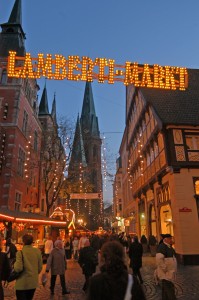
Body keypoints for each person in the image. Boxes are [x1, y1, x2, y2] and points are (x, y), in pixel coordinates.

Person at [14, 234, 43, 300]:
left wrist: (14, 265)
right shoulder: (37, 251)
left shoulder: (20, 253)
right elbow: (39, 268)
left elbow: (18, 268)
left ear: (23, 242)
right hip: (33, 283)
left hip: (22, 283)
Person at [155, 234, 177, 300]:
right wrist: (165, 269)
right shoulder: (162, 247)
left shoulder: (169, 247)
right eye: (170, 238)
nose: (171, 240)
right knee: (170, 291)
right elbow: (159, 260)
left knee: (165, 291)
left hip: (169, 273)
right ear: (165, 239)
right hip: (166, 274)